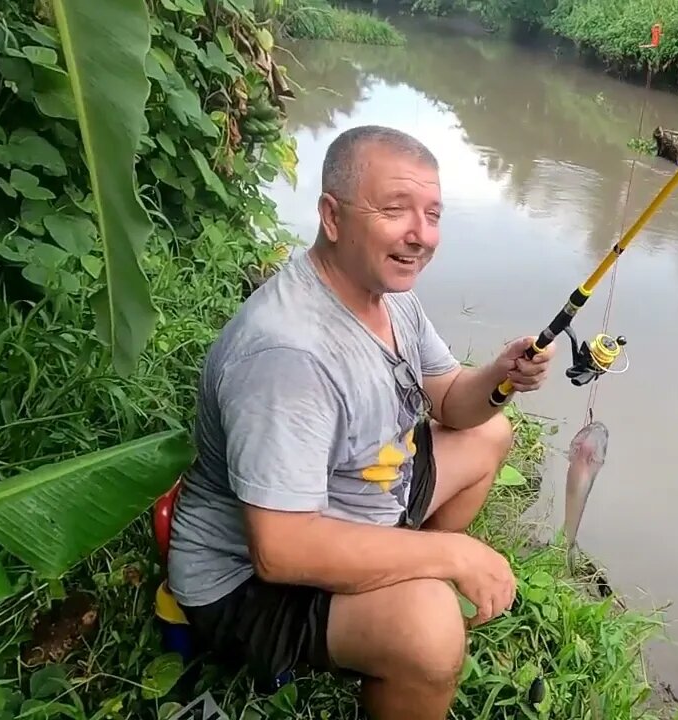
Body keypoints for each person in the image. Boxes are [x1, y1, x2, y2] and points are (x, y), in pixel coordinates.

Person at [166, 124, 553, 719]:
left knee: (489, 432)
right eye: (395, 209)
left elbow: (451, 400)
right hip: (248, 582)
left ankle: (394, 590)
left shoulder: (389, 294)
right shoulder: (287, 356)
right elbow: (281, 550)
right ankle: (405, 618)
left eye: (432, 214)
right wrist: (450, 554)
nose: (420, 236)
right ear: (331, 216)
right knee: (431, 631)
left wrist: (501, 377)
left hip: (362, 496)